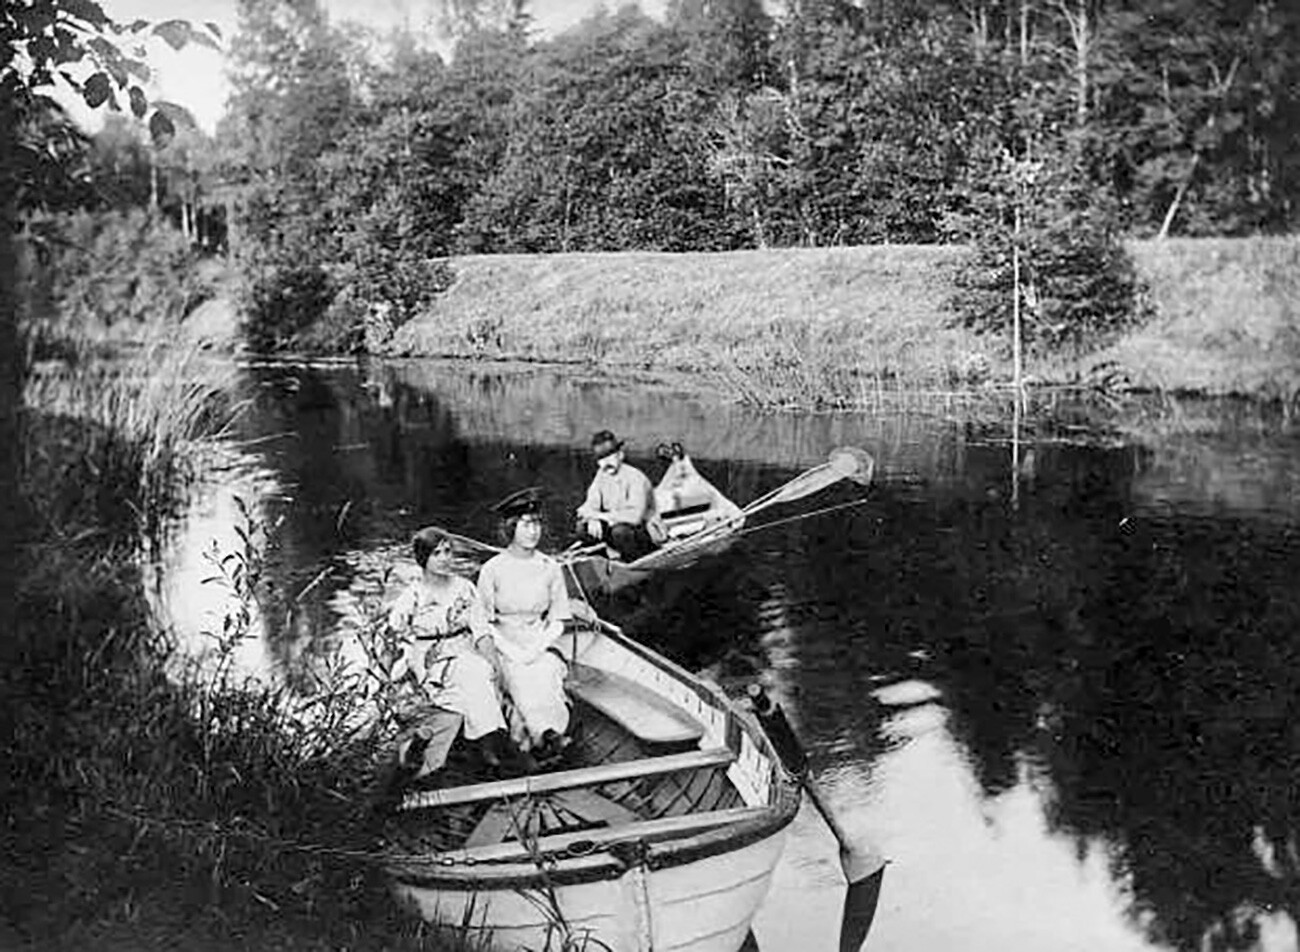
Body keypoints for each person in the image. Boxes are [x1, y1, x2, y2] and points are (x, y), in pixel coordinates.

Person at [385, 526, 522, 779]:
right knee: (471, 673)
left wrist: (495, 665)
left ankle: (487, 743)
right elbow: (392, 638)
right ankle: (488, 746)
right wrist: (398, 670)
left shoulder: (465, 588)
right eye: (437, 553)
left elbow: (480, 630)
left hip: (463, 646)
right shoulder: (412, 596)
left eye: (448, 551)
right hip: (429, 655)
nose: (446, 558)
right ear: (423, 559)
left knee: (482, 670)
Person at [477, 488, 574, 763]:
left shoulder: (549, 567)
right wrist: (514, 651)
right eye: (526, 524)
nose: (534, 531)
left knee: (546, 670)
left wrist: (536, 648)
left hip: (538, 639)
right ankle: (542, 737)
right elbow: (483, 624)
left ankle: (550, 735)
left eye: (537, 523)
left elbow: (558, 620)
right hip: (503, 643)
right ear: (511, 528)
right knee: (518, 676)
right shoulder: (492, 569)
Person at [574, 429, 662, 560]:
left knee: (620, 531)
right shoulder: (601, 476)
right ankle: (603, 562)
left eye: (610, 456)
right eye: (601, 459)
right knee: (583, 528)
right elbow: (585, 508)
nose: (606, 463)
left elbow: (634, 517)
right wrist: (592, 518)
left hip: (646, 533)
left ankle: (634, 562)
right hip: (618, 530)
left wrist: (599, 516)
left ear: (620, 455)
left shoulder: (635, 478)